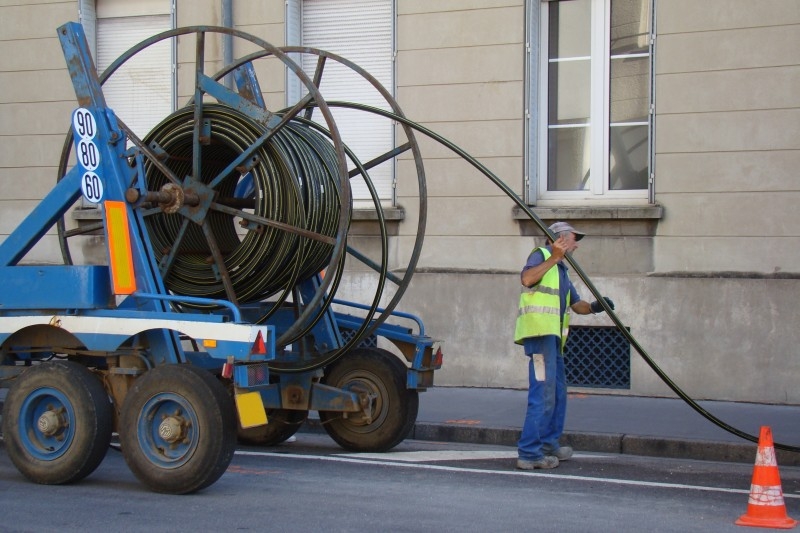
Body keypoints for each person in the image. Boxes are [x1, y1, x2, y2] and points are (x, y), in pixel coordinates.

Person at [514, 221, 614, 470]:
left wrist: (594, 308)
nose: (576, 245)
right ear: (557, 239)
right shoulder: (542, 256)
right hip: (539, 335)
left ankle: (549, 445)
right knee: (543, 395)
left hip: (554, 340)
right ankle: (529, 453)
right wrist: (554, 257)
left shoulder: (562, 270)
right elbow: (527, 279)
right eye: (572, 239)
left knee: (557, 395)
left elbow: (575, 304)